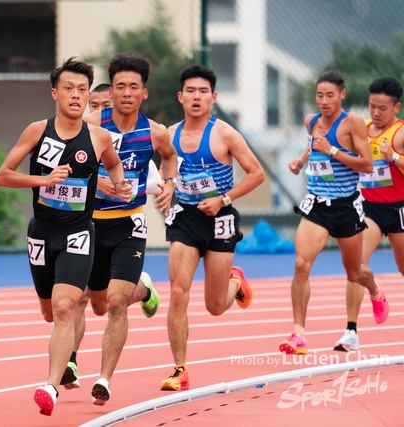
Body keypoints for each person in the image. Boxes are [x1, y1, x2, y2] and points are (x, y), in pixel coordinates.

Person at [0, 57, 132, 416]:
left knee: (65, 307)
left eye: (82, 90)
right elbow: (3, 175)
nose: (76, 95)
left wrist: (119, 185)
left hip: (78, 233)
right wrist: (44, 179)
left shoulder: (99, 136)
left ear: (89, 96)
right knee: (48, 312)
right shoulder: (37, 132)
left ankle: (50, 386)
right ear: (55, 92)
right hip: (42, 233)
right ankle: (57, 373)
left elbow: (114, 162)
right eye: (68, 88)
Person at [65, 52, 178, 406]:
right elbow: (75, 168)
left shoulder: (154, 132)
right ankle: (143, 291)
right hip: (89, 224)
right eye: (119, 86)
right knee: (88, 301)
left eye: (134, 86)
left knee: (114, 305)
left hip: (129, 224)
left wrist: (171, 183)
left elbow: (170, 156)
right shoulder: (92, 128)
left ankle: (104, 379)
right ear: (110, 92)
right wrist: (101, 186)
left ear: (144, 92)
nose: (126, 92)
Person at [160, 65, 265, 391]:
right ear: (180, 96)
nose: (196, 97)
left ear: (213, 97)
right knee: (178, 293)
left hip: (220, 219)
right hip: (185, 220)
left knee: (215, 306)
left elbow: (256, 173)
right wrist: (165, 187)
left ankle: (236, 281)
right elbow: (165, 169)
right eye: (190, 91)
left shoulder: (226, 135)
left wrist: (223, 198)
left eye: (203, 92)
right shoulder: (169, 135)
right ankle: (180, 369)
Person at [283, 70, 389, 355]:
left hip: (346, 205)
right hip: (317, 203)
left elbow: (367, 165)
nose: (324, 101)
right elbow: (312, 147)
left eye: (330, 95)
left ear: (342, 95)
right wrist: (300, 161)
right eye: (319, 95)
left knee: (355, 272)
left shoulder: (352, 123)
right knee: (301, 264)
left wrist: (332, 151)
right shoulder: (311, 121)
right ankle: (298, 333)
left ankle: (375, 288)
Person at [334, 77, 401, 351]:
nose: (375, 112)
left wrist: (393, 157)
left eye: (382, 108)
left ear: (396, 108)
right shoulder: (360, 129)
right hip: (370, 207)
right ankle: (351, 331)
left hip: (399, 209)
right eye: (372, 106)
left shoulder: (399, 133)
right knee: (355, 267)